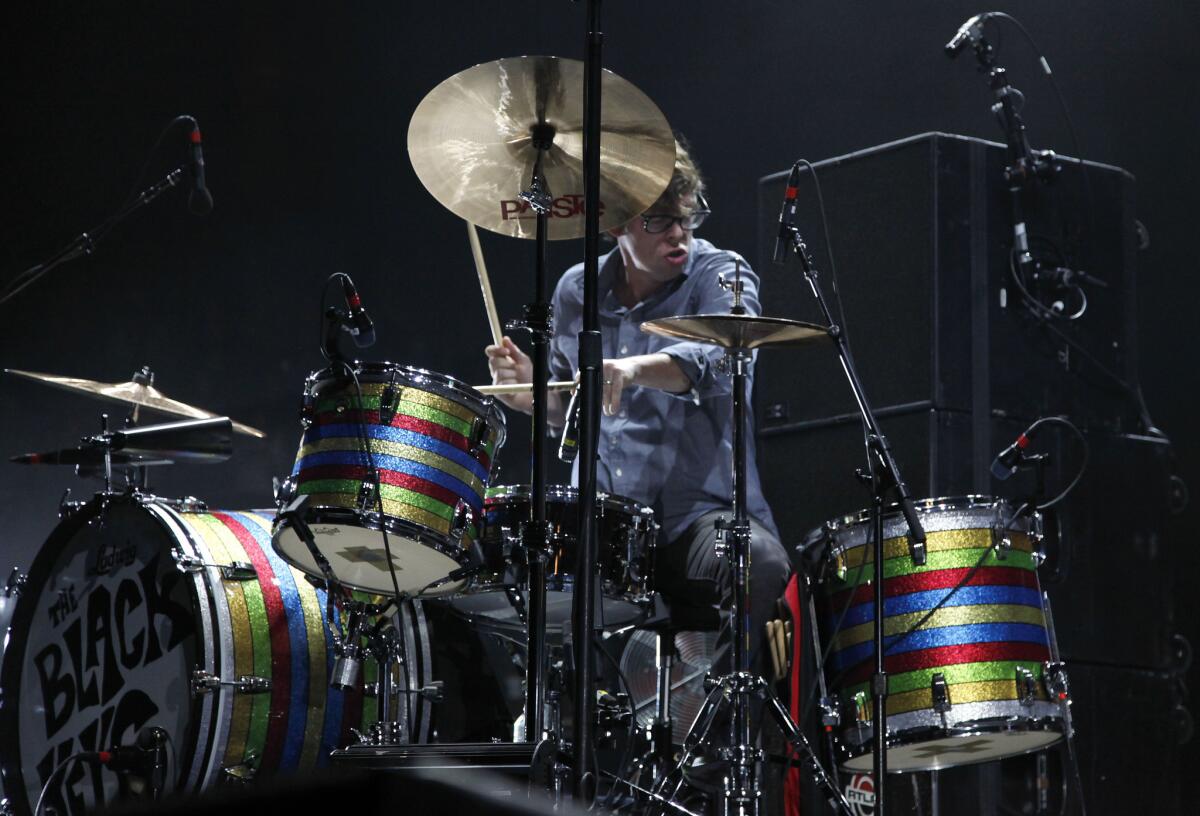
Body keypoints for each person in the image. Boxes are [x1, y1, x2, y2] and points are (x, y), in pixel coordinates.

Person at [484, 138, 790, 679]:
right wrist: (530, 394)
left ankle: (709, 728)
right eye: (661, 221)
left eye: (687, 217)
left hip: (696, 515)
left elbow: (719, 358)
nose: (680, 233)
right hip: (606, 517)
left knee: (759, 564)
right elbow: (570, 407)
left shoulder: (723, 275)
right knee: (529, 578)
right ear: (615, 225)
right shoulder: (576, 290)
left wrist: (630, 367)